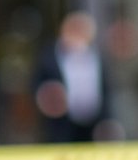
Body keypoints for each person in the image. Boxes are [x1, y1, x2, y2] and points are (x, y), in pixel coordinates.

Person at [33, 10, 116, 142]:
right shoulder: (49, 57)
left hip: (93, 119)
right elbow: (37, 85)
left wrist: (108, 119)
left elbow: (105, 89)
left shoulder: (96, 57)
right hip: (62, 123)